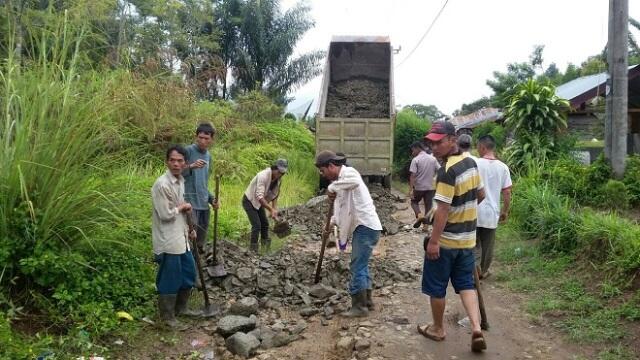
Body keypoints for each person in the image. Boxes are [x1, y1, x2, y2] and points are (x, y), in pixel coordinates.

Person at [418, 121, 487, 352]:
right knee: (466, 284)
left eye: (438, 142)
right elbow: (480, 195)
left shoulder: (446, 172)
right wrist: (463, 211)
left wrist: (434, 241)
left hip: (446, 242)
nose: (434, 147)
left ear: (452, 140)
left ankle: (437, 328)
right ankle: (476, 328)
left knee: (437, 287)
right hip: (467, 240)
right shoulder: (471, 163)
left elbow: (444, 210)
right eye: (431, 142)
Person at [315, 150, 383, 318]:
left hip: (366, 227)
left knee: (357, 266)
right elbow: (342, 210)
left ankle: (359, 307)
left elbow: (354, 181)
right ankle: (367, 301)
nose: (323, 175)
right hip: (365, 228)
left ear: (331, 166)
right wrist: (330, 223)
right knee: (362, 264)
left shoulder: (349, 173)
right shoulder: (341, 182)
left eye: (323, 171)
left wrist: (331, 188)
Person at [152, 145, 201, 329]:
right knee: (170, 277)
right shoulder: (162, 184)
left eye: (180, 160)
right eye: (172, 160)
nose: (176, 164)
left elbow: (181, 208)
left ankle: (182, 308)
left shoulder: (180, 181)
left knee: (188, 272)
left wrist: (190, 228)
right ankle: (167, 318)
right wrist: (183, 207)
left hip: (181, 236)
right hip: (168, 238)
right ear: (167, 161)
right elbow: (165, 214)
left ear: (185, 163)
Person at [475, 135, 512, 279]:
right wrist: (505, 211)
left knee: (474, 243)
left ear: (483, 147)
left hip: (475, 209)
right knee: (488, 246)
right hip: (492, 213)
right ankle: (483, 271)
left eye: (478, 147)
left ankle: (474, 268)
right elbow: (507, 192)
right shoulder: (503, 167)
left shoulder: (475, 164)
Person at [183, 123, 219, 253]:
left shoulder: (208, 156)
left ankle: (200, 268)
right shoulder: (187, 151)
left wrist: (211, 199)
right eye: (200, 137)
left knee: (200, 242)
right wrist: (191, 166)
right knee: (190, 238)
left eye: (206, 138)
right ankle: (189, 265)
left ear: (212, 139)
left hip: (203, 203)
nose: (203, 141)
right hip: (190, 202)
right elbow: (176, 173)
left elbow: (204, 182)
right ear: (196, 137)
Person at [242, 159, 288, 252]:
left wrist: (274, 210)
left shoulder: (278, 180)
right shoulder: (263, 175)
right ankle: (253, 250)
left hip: (259, 203)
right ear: (274, 168)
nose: (280, 175)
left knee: (265, 224)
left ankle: (265, 249)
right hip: (249, 201)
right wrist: (270, 209)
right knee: (257, 225)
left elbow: (275, 195)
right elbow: (259, 196)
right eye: (279, 172)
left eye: (282, 173)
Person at [408, 141, 440, 230]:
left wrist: (411, 189)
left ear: (417, 148)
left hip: (419, 187)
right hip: (431, 187)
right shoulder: (433, 159)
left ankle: (419, 215)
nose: (412, 152)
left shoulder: (416, 160)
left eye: (413, 150)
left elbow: (412, 176)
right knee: (428, 205)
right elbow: (440, 170)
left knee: (414, 202)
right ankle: (425, 226)